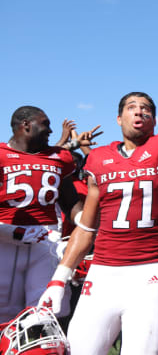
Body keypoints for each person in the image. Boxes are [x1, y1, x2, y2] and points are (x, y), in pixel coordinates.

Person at [38, 92, 158, 355]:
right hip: (102, 273)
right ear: (119, 118)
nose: (139, 111)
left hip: (148, 275)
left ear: (154, 121)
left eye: (146, 109)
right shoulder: (99, 159)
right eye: (132, 107)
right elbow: (86, 228)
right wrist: (59, 279)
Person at [0, 106, 82, 323]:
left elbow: (70, 200)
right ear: (25, 125)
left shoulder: (60, 157)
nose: (50, 130)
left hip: (44, 242)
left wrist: (84, 225)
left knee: (43, 317)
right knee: (4, 313)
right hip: (4, 243)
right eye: (45, 124)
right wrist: (12, 232)